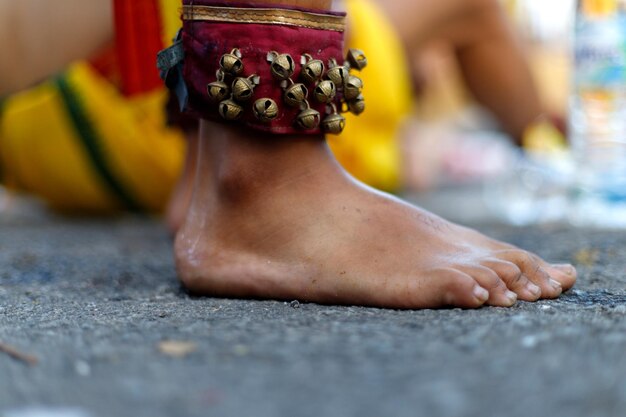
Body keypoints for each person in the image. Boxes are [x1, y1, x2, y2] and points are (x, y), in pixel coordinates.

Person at [0, 0, 577, 308]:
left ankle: (227, 172)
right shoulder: (391, 38)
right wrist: (548, 136)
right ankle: (266, 176)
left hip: (41, 130)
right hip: (153, 117)